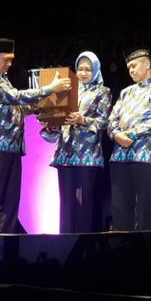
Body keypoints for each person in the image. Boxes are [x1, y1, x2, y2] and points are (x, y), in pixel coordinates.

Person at [0, 37, 71, 234]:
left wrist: (43, 109)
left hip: (12, 145)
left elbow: (18, 107)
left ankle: (5, 243)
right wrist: (50, 89)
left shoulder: (2, 77)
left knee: (10, 199)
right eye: (6, 59)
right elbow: (14, 97)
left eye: (11, 59)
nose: (9, 64)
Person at [40, 51, 111, 233]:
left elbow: (104, 122)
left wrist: (83, 120)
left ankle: (83, 244)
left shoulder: (103, 92)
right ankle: (65, 244)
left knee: (84, 203)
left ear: (95, 70)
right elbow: (57, 127)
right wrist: (50, 122)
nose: (83, 73)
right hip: (65, 152)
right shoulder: (66, 91)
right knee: (66, 203)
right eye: (80, 68)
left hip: (87, 155)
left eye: (88, 69)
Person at [107, 48, 151, 231]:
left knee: (145, 208)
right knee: (120, 209)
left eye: (134, 66)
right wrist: (116, 134)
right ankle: (122, 249)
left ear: (147, 65)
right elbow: (111, 120)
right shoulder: (125, 92)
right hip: (120, 157)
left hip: (146, 156)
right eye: (129, 68)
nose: (131, 71)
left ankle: (145, 251)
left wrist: (131, 134)